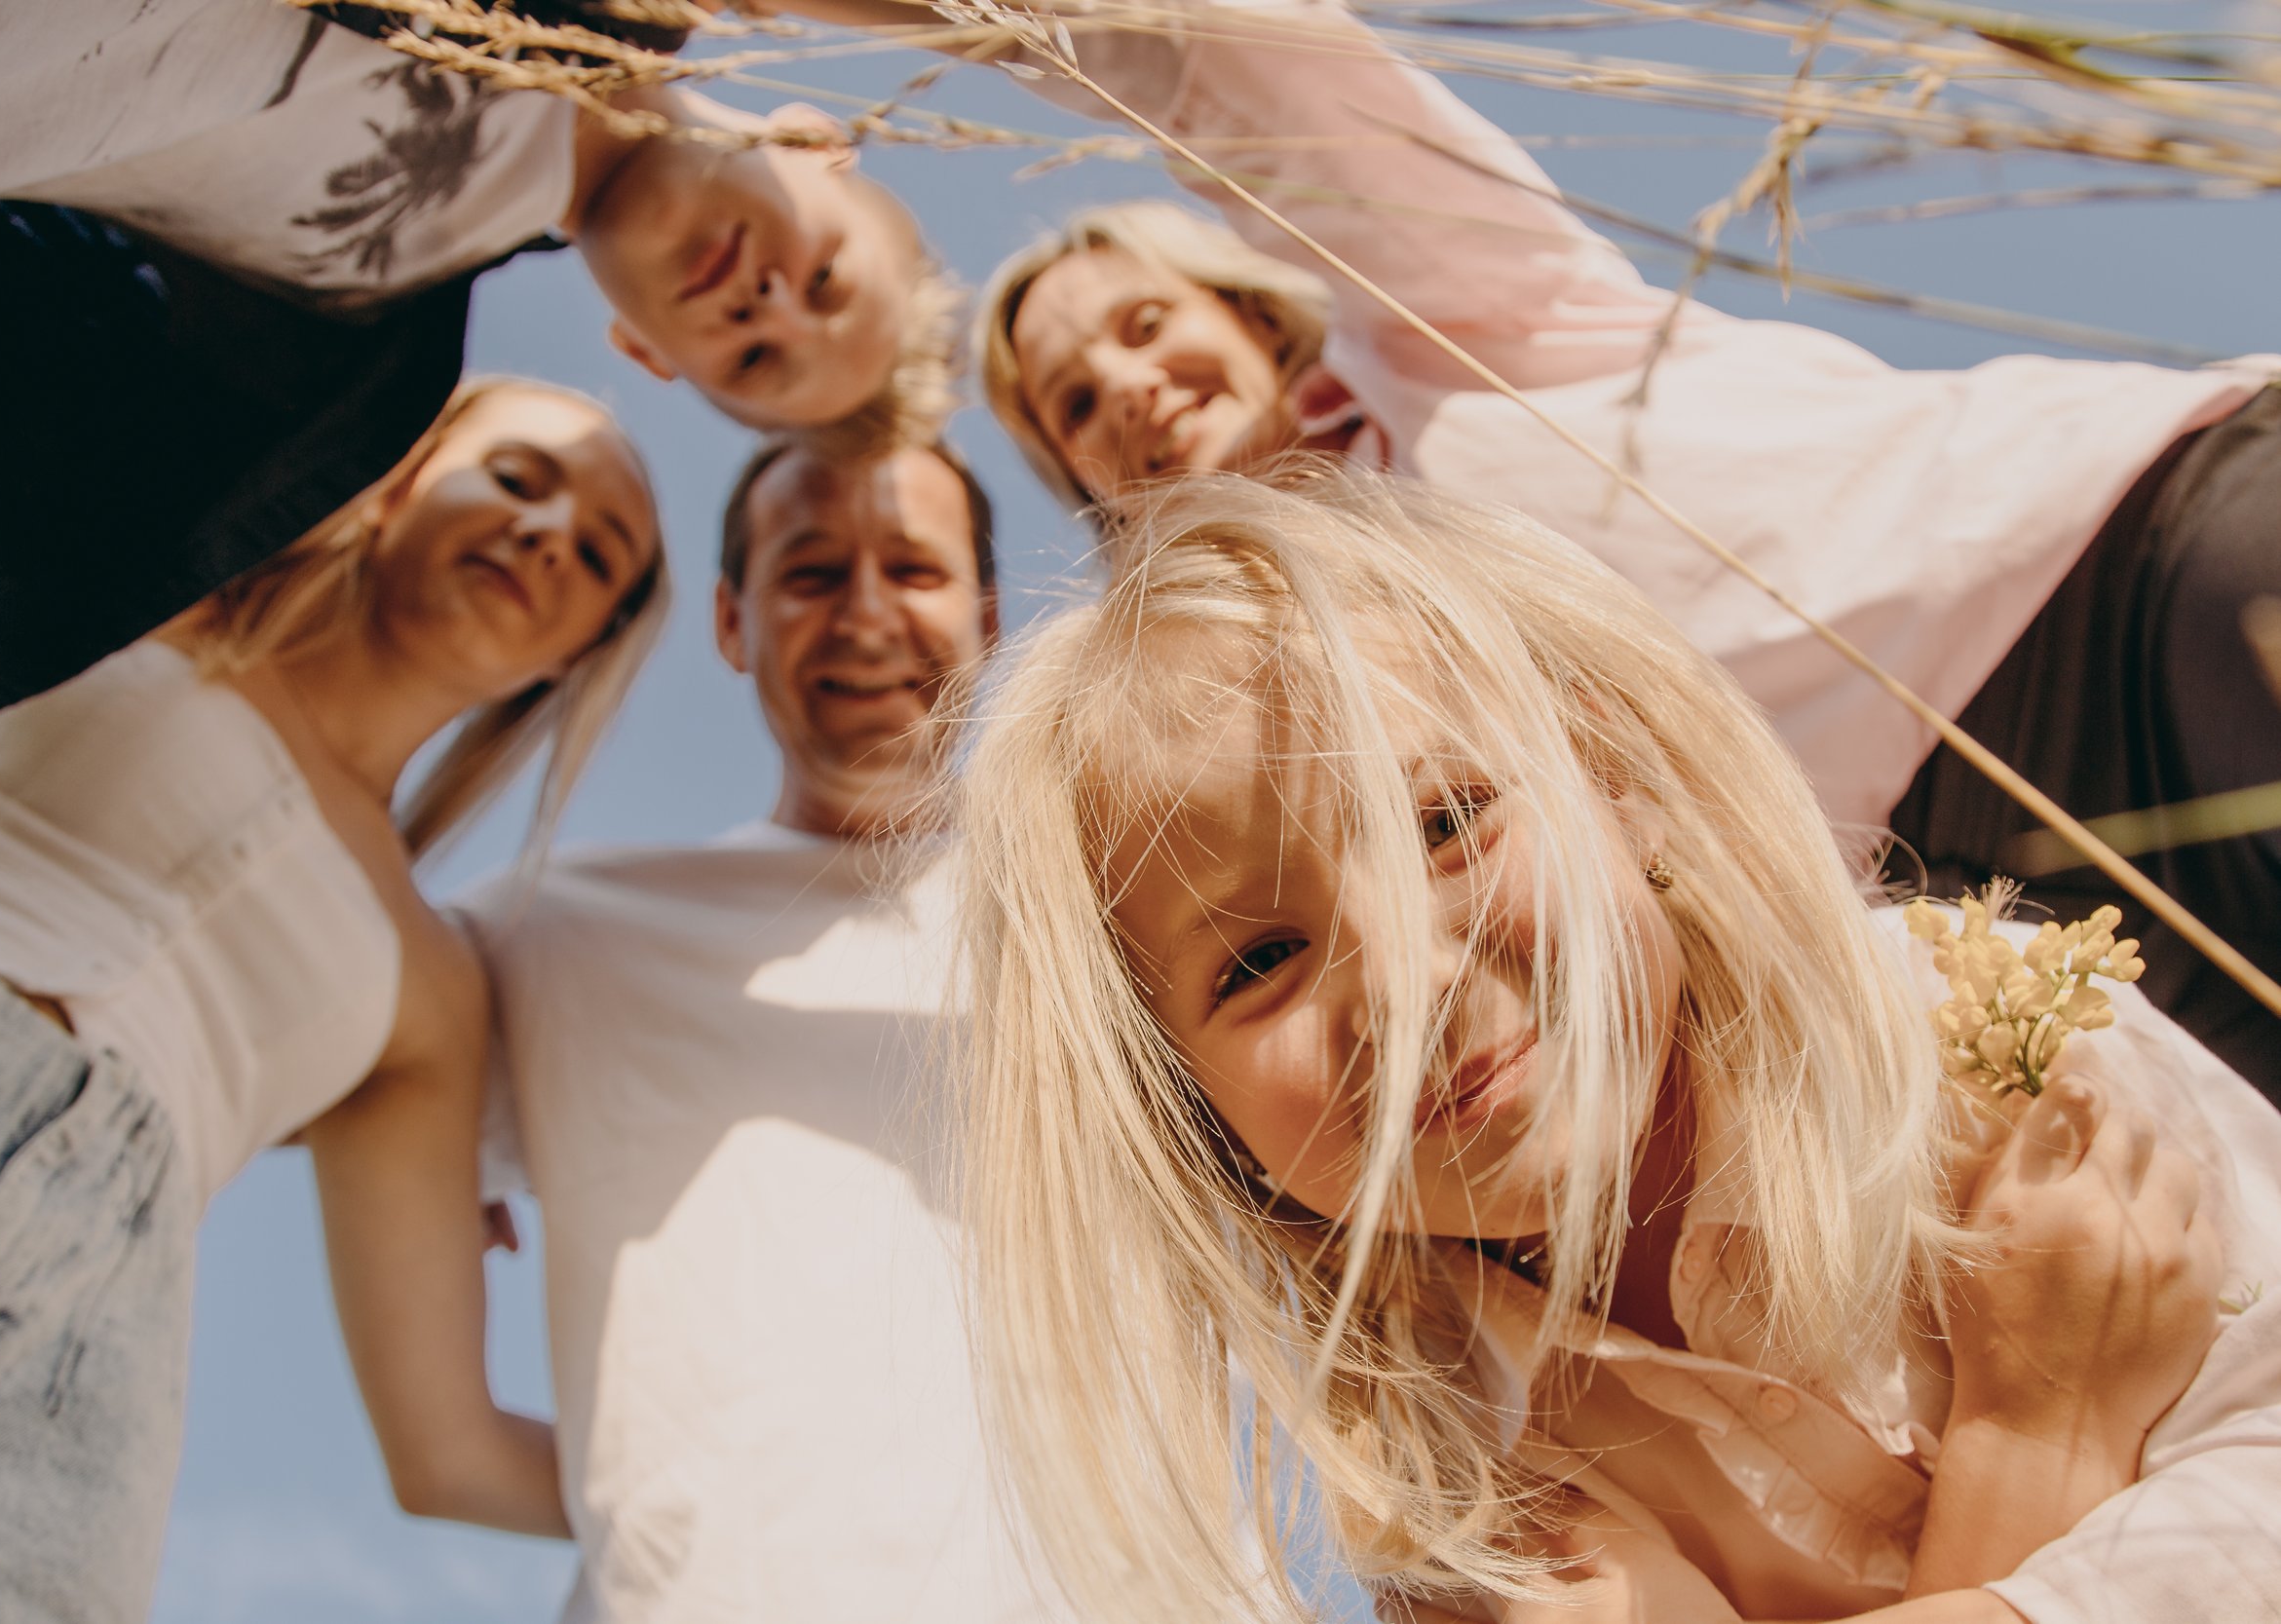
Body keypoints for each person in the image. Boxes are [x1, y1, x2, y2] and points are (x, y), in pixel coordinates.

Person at [948, 467, 2281, 1624]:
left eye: (1447, 820)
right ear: (1182, 1105)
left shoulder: (1976, 1038)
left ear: (1619, 776)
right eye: (1256, 959)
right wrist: (2038, 1434)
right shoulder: (1444, 1489)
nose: (1406, 986)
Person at [933, 0, 2281, 1096]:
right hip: (1976, 904)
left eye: (1141, 322)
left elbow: (1224, 56)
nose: (1125, 385)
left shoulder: (1452, 335)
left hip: (2122, 578)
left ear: (1248, 309)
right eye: (1071, 404)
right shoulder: (1291, 701)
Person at [0, 378, 665, 1621]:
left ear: (576, 652)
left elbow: (447, 1448)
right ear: (398, 479)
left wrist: (750, 1484)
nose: (550, 531)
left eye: (599, 551)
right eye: (516, 476)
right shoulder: (127, 598)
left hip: (64, 1365)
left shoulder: (432, 992)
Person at [0, 0, 955, 725]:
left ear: (651, 354)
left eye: (753, 358)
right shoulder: (637, 10)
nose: (768, 304)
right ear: (815, 144)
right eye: (825, 278)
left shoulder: (357, 351)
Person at [462, 434, 1053, 1620]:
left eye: (915, 568)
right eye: (812, 571)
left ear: (990, 615)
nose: (868, 611)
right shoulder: (552, 928)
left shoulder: (1112, 927)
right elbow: (261, 1039)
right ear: (731, 622)